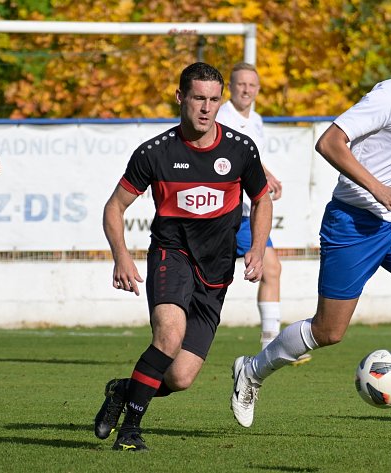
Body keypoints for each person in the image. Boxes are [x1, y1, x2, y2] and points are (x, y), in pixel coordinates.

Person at [230, 34, 391, 440]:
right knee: (329, 332)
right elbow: (329, 142)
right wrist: (377, 188)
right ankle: (252, 370)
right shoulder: (389, 97)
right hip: (353, 223)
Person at [94, 62, 272, 451]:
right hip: (171, 256)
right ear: (180, 98)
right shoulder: (155, 153)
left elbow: (261, 199)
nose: (206, 108)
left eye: (213, 99)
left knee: (180, 377)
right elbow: (114, 207)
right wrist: (121, 256)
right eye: (198, 98)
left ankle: (123, 391)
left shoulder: (240, 149)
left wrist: (257, 248)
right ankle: (130, 432)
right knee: (169, 336)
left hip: (217, 269)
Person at [216, 62, 310, 364]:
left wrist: (265, 176)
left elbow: (250, 156)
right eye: (241, 84)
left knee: (271, 269)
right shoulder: (222, 116)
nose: (246, 90)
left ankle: (272, 346)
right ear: (231, 87)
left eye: (252, 85)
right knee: (205, 278)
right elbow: (232, 156)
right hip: (223, 212)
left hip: (246, 213)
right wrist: (262, 175)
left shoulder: (254, 119)